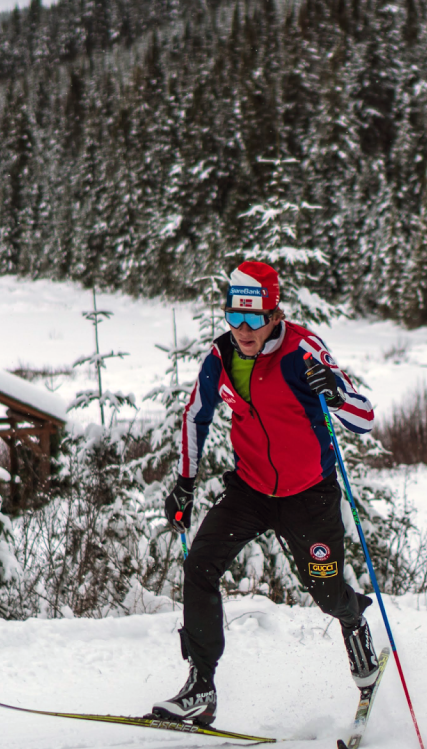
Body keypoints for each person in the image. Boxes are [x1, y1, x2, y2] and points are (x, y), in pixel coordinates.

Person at [151, 260, 379, 725]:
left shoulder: (302, 351)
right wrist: (185, 484)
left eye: (255, 318)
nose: (244, 329)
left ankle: (354, 621)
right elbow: (196, 416)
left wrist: (333, 393)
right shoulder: (221, 358)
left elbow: (364, 417)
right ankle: (201, 686)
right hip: (250, 489)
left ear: (274, 315)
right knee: (199, 566)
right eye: (235, 317)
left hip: (309, 494)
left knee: (327, 593)